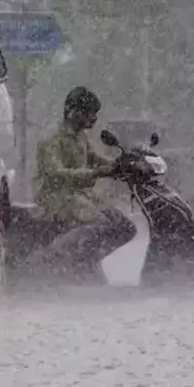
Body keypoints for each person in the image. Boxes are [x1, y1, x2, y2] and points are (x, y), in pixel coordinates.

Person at [34, 86, 136, 278]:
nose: (93, 119)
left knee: (125, 227)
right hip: (57, 195)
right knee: (99, 223)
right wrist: (94, 173)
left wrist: (118, 164)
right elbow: (56, 174)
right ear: (74, 112)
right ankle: (50, 259)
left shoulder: (80, 135)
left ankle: (86, 259)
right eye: (89, 113)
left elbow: (92, 156)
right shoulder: (53, 137)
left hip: (80, 194)